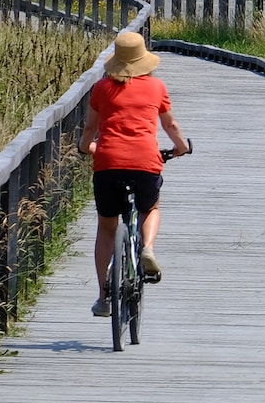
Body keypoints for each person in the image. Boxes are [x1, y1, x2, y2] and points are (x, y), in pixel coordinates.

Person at [80, 31, 190, 316]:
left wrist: (86, 146)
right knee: (150, 208)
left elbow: (90, 129)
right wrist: (181, 147)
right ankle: (148, 248)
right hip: (145, 162)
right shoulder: (156, 87)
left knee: (106, 228)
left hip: (107, 162)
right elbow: (171, 126)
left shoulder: (101, 88)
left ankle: (103, 298)